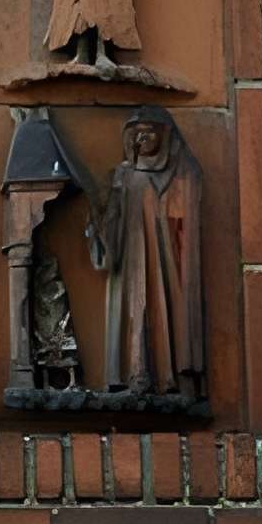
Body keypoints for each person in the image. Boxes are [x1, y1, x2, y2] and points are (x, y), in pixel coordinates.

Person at [87, 107, 204, 399]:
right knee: (132, 312)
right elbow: (106, 222)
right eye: (137, 131)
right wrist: (101, 215)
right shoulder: (122, 176)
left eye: (150, 130)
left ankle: (170, 377)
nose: (143, 137)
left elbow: (183, 223)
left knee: (164, 312)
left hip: (166, 264)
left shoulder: (183, 175)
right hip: (129, 264)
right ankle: (132, 374)